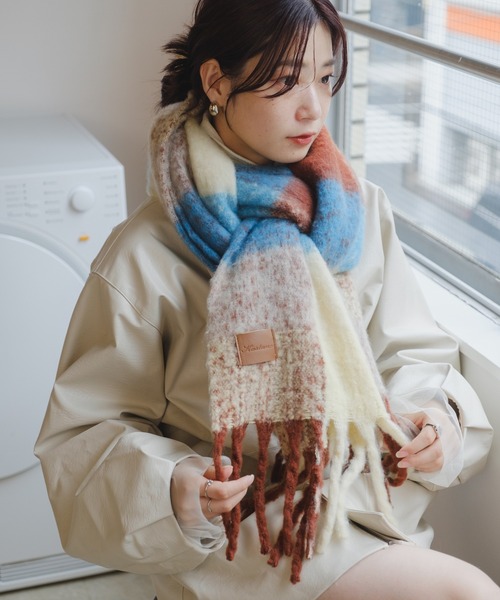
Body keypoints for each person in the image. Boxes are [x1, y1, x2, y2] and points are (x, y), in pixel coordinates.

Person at [35, 1, 500, 598]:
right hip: (249, 537)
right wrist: (176, 485)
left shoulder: (357, 212)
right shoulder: (146, 253)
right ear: (216, 82)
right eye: (284, 82)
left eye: (325, 77)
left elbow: (412, 353)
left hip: (366, 505)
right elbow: (83, 436)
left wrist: (433, 420)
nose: (313, 106)